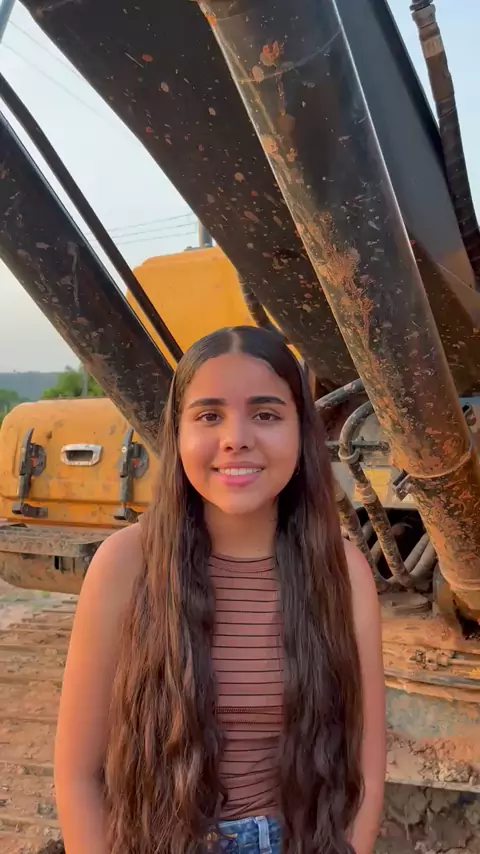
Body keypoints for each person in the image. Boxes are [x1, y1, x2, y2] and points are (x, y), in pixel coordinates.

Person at [54, 325, 385, 854]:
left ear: (301, 433)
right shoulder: (126, 564)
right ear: (177, 433)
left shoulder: (342, 572)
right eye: (209, 416)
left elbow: (364, 770)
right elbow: (77, 776)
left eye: (266, 415)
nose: (236, 438)